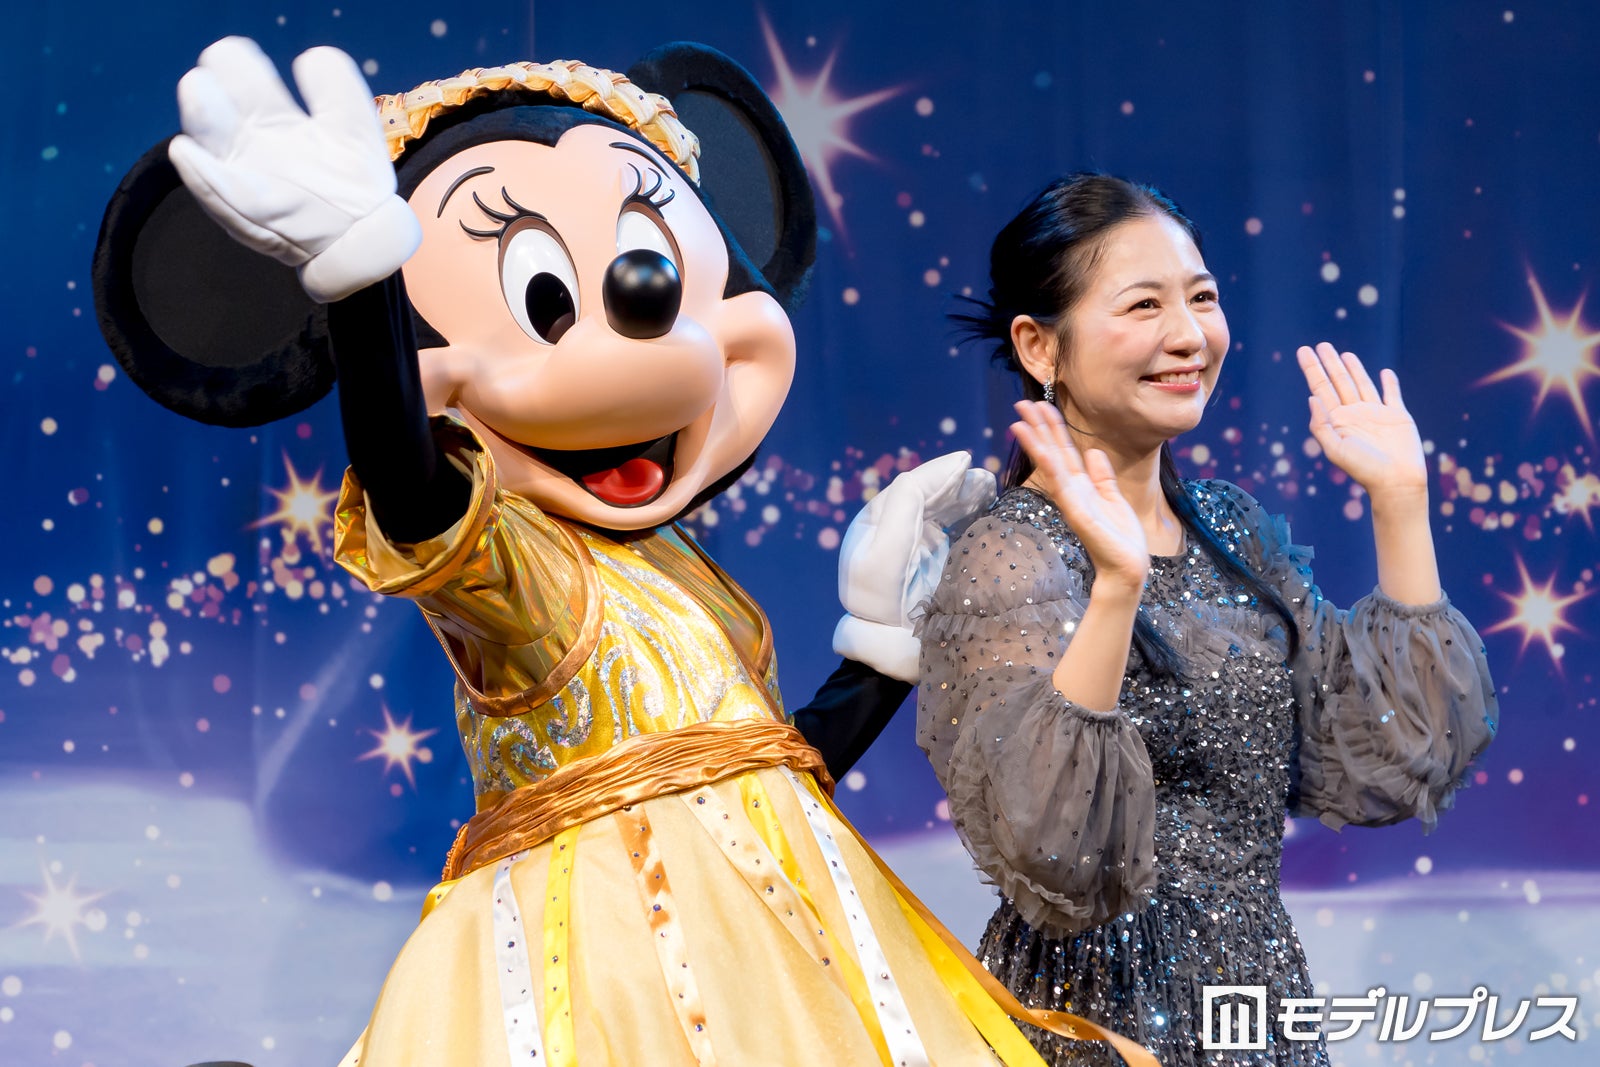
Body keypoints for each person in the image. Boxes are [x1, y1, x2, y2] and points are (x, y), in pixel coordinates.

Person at [915, 173, 1498, 1066]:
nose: (1189, 335)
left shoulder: (1230, 530)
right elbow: (1057, 854)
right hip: (1096, 1017)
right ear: (1040, 346)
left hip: (1252, 1000)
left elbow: (1399, 748)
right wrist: (1117, 586)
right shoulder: (1010, 555)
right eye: (1143, 304)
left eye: (1202, 298)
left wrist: (1400, 501)